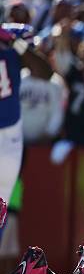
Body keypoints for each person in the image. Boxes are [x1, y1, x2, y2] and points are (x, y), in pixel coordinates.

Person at [0, 22, 53, 244]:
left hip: (9, 135)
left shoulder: (14, 41)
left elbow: (44, 72)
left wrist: (14, 43)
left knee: (1, 207)